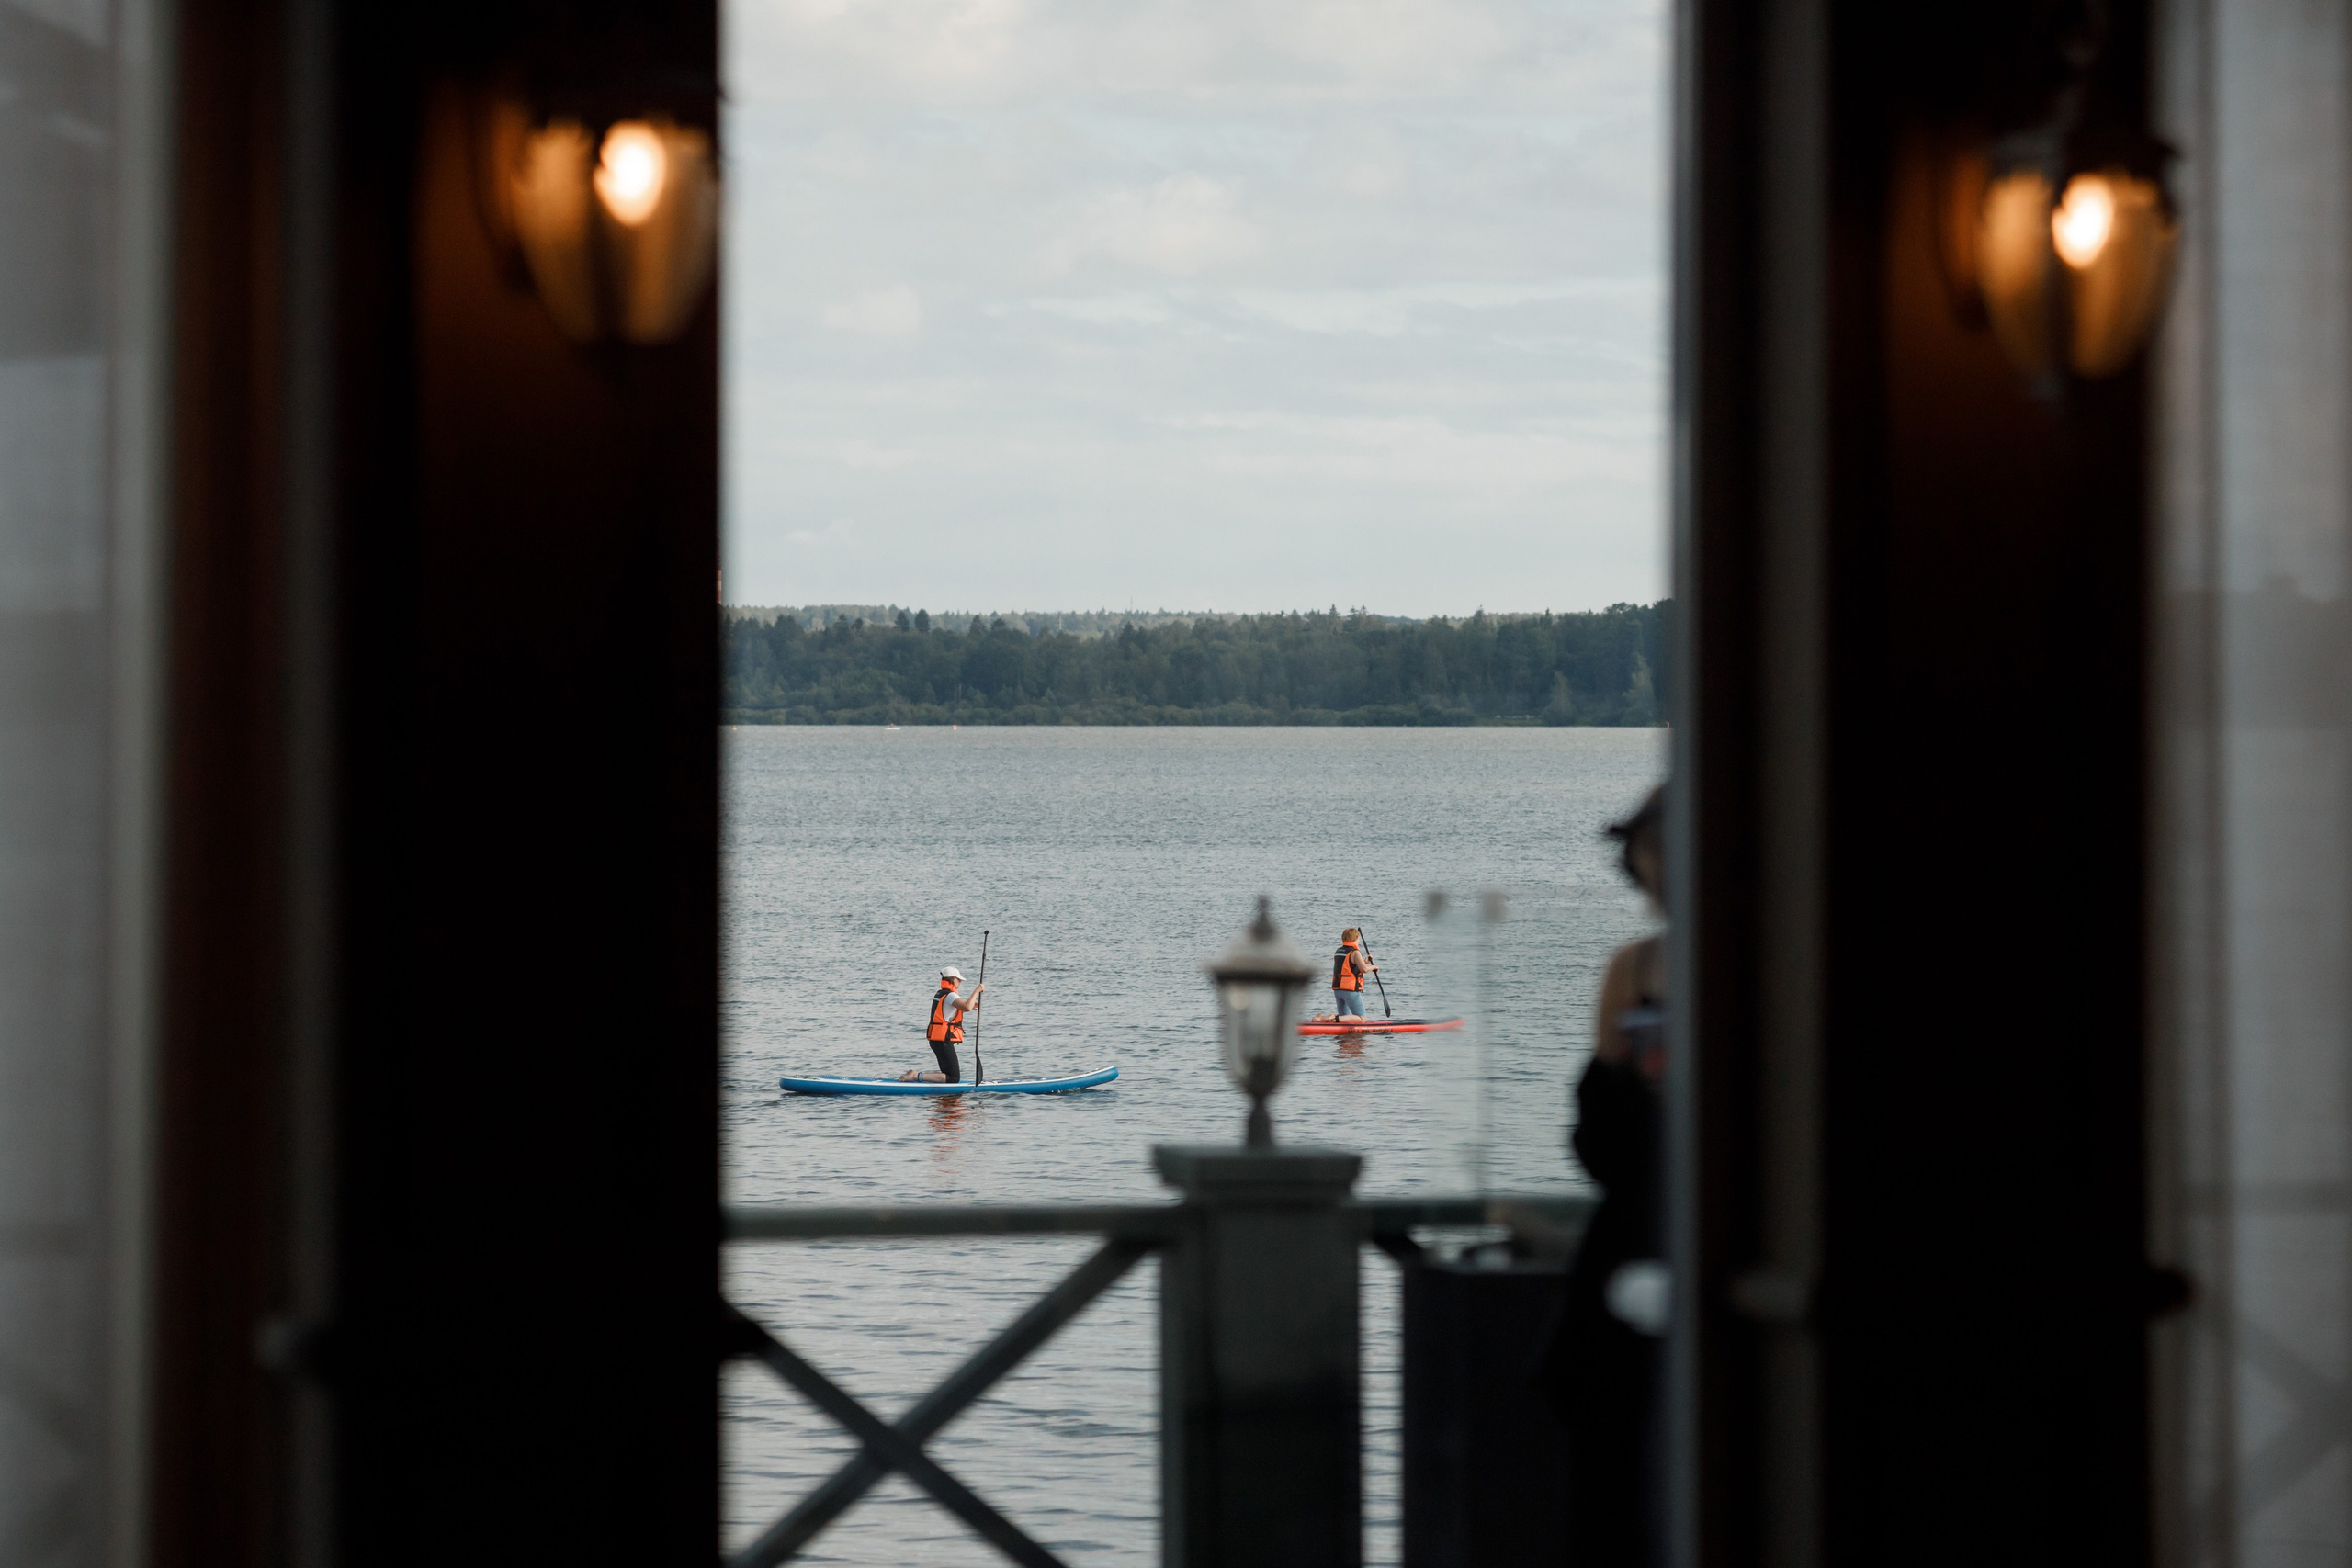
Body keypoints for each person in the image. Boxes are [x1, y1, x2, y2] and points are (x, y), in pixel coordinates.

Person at [1541, 784, 1666, 1568]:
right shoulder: (1634, 967)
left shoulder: (1640, 968)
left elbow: (1598, 1139)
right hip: (1638, 1243)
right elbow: (1598, 1141)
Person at [900, 966, 984, 1082]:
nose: (960, 982)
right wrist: (977, 990)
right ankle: (915, 1075)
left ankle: (938, 1092)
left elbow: (957, 1009)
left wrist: (972, 1005)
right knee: (954, 1078)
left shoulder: (941, 994)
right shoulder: (951, 995)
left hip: (937, 1040)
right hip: (942, 1041)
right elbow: (966, 1007)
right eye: (959, 979)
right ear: (953, 979)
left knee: (949, 1075)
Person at [1330, 927, 1378, 1018]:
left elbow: (1349, 968)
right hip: (1350, 990)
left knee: (1344, 1017)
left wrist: (1365, 961)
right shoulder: (1355, 952)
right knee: (1361, 1018)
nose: (1359, 941)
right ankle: (1333, 1018)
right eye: (1358, 939)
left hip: (1338, 989)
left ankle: (1326, 1018)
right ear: (1355, 939)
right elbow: (1364, 969)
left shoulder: (1338, 951)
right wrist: (1373, 967)